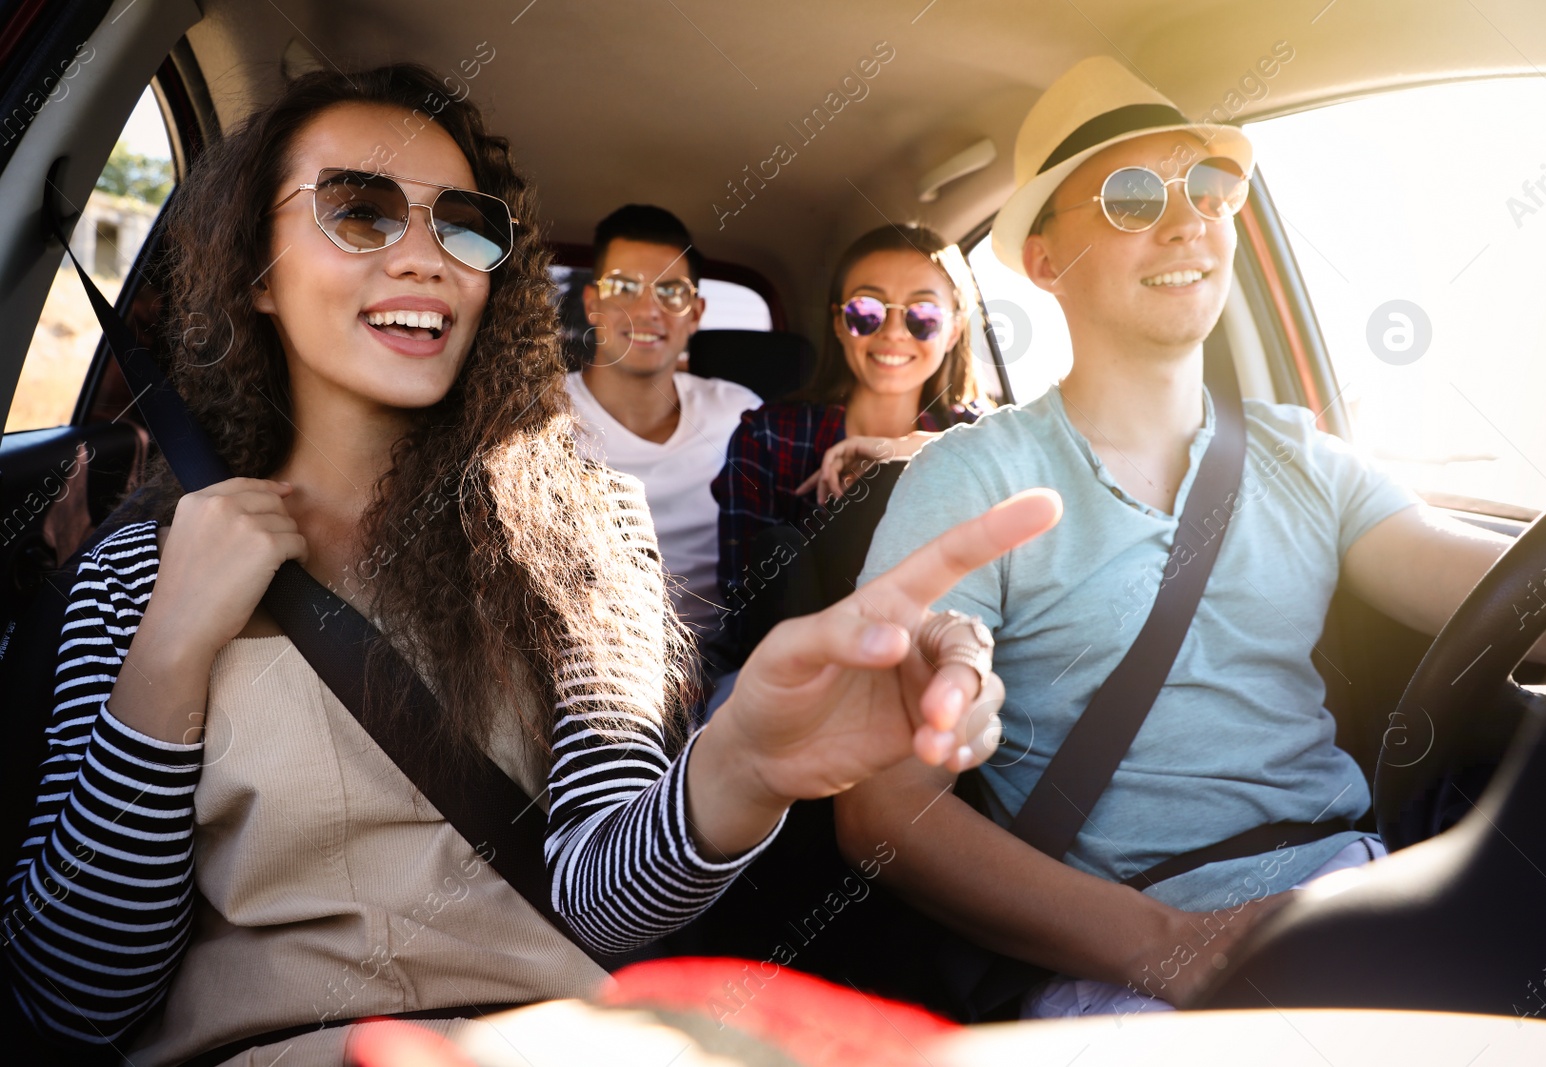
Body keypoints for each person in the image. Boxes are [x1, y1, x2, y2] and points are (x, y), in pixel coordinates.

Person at [0, 64, 1058, 1064]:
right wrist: (171, 648)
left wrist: (740, 765)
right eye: (359, 210)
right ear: (256, 273)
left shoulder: (582, 530)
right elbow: (77, 990)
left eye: (462, 226)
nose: (424, 256)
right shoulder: (142, 565)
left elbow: (603, 899)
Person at [836, 55, 1546, 1020]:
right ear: (1044, 259)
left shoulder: (1302, 456)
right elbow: (880, 807)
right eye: (1128, 194)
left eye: (1210, 186)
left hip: (1353, 895)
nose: (1188, 216)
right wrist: (1169, 947)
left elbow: (1510, 594)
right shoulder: (971, 477)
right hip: (1120, 957)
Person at [713, 223, 989, 658]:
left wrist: (900, 452)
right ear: (840, 324)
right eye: (867, 311)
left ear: (953, 330)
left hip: (940, 654)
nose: (894, 333)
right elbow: (742, 603)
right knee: (778, 548)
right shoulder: (767, 436)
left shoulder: (981, 438)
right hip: (799, 664)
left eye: (923, 316)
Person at [566, 205, 760, 648]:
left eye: (671, 292)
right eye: (624, 288)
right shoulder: (534, 419)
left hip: (722, 670)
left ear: (695, 312)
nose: (647, 310)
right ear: (592, 303)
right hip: (579, 668)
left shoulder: (740, 415)